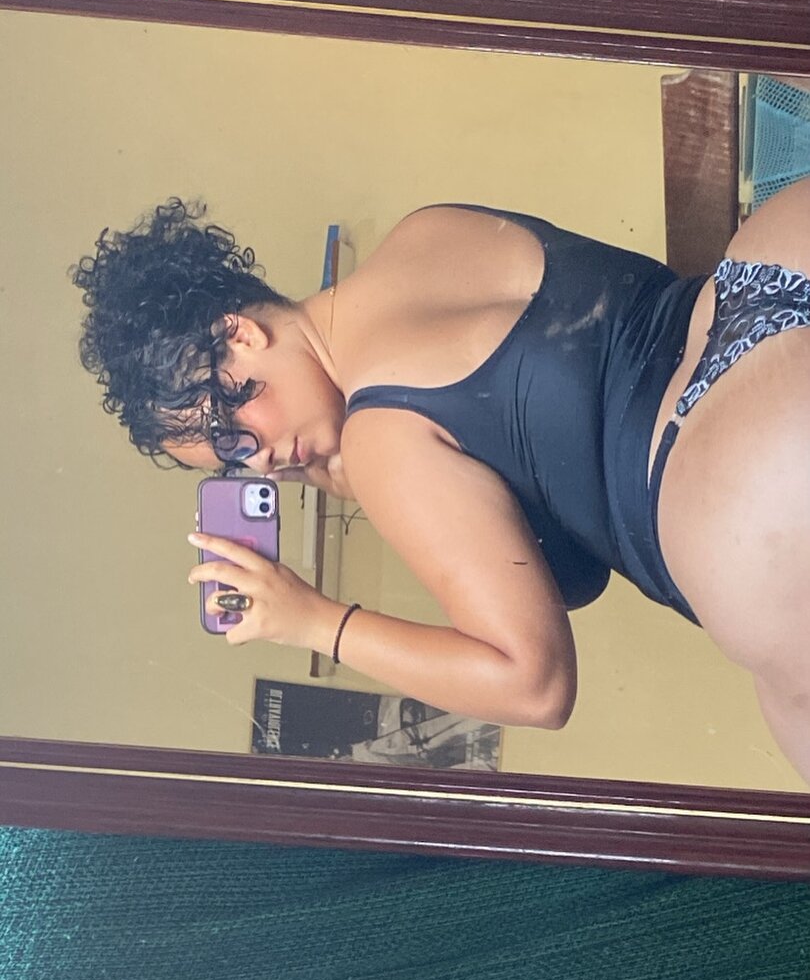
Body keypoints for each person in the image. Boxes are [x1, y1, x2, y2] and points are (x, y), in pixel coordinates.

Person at [74, 184, 810, 783]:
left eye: (234, 436)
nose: (260, 462)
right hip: (769, 269)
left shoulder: (383, 439)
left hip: (732, 483)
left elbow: (534, 684)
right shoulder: (425, 230)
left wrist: (313, 621)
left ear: (239, 337)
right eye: (233, 463)